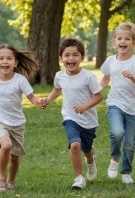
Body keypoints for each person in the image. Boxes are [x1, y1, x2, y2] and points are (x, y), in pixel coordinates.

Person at [0, 44, 43, 192]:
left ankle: (10, 181)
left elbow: (31, 97)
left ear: (15, 63)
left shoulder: (20, 80)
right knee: (6, 145)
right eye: (1, 58)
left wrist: (39, 102)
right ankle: (1, 178)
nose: (5, 61)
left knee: (15, 157)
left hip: (17, 123)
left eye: (9, 58)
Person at [42, 38, 103, 190]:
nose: (71, 59)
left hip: (88, 120)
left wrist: (84, 107)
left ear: (82, 57)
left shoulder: (88, 77)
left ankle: (90, 162)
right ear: (60, 58)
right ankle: (79, 178)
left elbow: (99, 96)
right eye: (67, 55)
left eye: (75, 55)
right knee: (75, 144)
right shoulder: (59, 75)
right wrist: (48, 100)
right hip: (70, 117)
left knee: (87, 149)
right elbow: (57, 89)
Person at [100, 22, 135, 184]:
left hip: (133, 107)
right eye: (119, 38)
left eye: (127, 39)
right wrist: (95, 92)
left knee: (129, 143)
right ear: (114, 42)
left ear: (133, 43)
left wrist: (132, 77)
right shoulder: (110, 61)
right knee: (117, 132)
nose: (123, 41)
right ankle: (115, 157)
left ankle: (126, 172)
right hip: (115, 103)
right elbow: (105, 79)